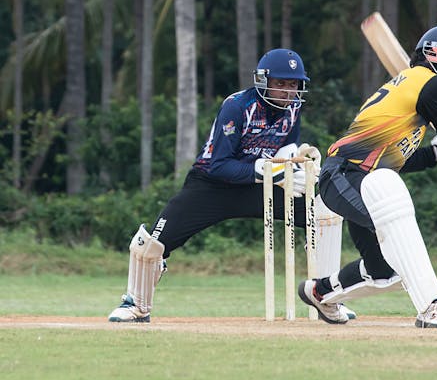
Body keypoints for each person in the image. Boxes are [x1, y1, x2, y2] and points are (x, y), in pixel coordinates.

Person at [297, 23, 437, 329]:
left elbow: (397, 162)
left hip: (362, 178)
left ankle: (319, 292)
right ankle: (433, 307)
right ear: (435, 53)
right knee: (396, 229)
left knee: (383, 270)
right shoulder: (429, 84)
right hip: (344, 174)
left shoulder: (414, 94)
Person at [108, 48, 320, 323]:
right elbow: (220, 165)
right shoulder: (237, 106)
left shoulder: (293, 108)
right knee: (151, 244)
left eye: (293, 85)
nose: (287, 92)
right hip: (212, 185)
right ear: (263, 80)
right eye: (280, 84)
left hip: (259, 185)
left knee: (322, 215)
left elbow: (286, 148)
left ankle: (326, 296)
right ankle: (135, 305)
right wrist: (271, 170)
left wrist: (296, 165)